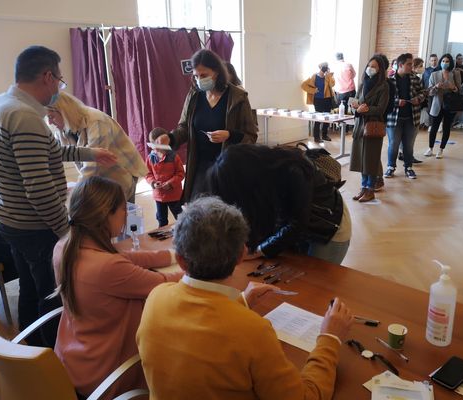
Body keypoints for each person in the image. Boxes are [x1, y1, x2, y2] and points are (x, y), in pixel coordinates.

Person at [137, 196, 354, 400]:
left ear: (181, 261)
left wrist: (241, 303)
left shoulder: (157, 296)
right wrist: (330, 339)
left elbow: (200, 331)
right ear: (242, 254)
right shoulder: (253, 330)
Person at [0, 45, 116, 346]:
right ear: (47, 76)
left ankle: (29, 347)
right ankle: (53, 361)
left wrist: (86, 152)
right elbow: (38, 188)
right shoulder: (24, 117)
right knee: (52, 295)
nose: (59, 88)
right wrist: (66, 233)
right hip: (34, 226)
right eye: (60, 80)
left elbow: (41, 152)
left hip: (6, 219)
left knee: (29, 286)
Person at [52, 176, 181, 399]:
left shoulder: (65, 246)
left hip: (73, 359)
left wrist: (171, 254)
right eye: (123, 209)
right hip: (108, 373)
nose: (125, 214)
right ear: (106, 215)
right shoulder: (107, 267)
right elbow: (163, 284)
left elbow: (125, 257)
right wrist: (194, 268)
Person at [208, 144, 351, 265]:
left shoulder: (292, 170)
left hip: (327, 229)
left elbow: (297, 223)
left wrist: (259, 250)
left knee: (316, 287)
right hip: (299, 229)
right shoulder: (261, 181)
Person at [169, 49, 257, 202]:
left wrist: (229, 135)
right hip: (200, 165)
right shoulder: (194, 96)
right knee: (198, 211)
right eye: (196, 76)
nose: (199, 80)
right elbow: (184, 127)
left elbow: (251, 135)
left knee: (224, 211)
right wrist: (169, 138)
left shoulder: (237, 97)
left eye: (204, 75)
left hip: (228, 167)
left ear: (216, 72)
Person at [47, 91, 147, 203]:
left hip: (122, 172)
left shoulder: (96, 120)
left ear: (64, 112)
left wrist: (76, 191)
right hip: (101, 176)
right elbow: (60, 153)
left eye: (51, 117)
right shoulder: (62, 130)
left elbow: (93, 164)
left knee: (120, 212)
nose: (50, 122)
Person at [349, 55, 389, 203]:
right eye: (369, 65)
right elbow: (355, 102)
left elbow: (380, 109)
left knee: (370, 160)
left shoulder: (383, 86)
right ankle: (363, 188)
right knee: (361, 160)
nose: (370, 69)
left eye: (374, 67)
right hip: (360, 126)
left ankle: (370, 190)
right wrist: (355, 108)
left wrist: (365, 109)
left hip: (373, 127)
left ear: (380, 70)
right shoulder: (362, 84)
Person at [384, 53, 425, 180]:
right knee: (393, 144)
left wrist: (418, 98)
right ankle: (391, 167)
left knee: (408, 145)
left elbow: (423, 92)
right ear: (400, 65)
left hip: (411, 117)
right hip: (394, 118)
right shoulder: (390, 80)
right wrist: (397, 102)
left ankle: (408, 167)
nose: (411, 66)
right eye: (409, 64)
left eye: (412, 64)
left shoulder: (415, 79)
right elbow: (386, 99)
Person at [423, 53, 461, 159]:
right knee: (434, 127)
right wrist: (436, 86)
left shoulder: (454, 74)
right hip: (437, 104)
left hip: (450, 105)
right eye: (443, 61)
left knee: (446, 127)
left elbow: (459, 90)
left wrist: (453, 87)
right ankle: (430, 148)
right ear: (440, 62)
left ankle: (441, 149)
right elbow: (429, 92)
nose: (445, 63)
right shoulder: (434, 74)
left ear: (450, 63)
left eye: (447, 61)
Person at [146, 127, 185, 227]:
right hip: (159, 196)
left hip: (174, 195)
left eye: (164, 145)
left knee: (180, 218)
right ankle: (162, 238)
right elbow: (148, 174)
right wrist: (153, 183)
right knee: (161, 219)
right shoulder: (150, 158)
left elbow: (180, 173)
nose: (161, 149)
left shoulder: (174, 157)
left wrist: (171, 183)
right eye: (157, 146)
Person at [301, 62, 336, 143]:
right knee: (318, 118)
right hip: (318, 100)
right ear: (319, 67)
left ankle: (324, 135)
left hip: (327, 99)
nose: (324, 69)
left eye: (326, 67)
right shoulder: (314, 76)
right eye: (323, 67)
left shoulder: (328, 77)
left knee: (327, 118)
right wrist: (313, 90)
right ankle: (316, 137)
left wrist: (329, 75)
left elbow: (332, 84)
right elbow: (303, 85)